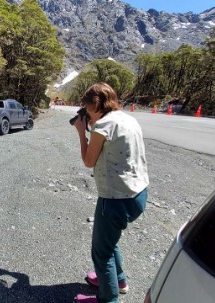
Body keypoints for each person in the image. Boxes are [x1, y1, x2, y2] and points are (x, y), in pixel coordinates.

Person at [72, 83, 149, 303]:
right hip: (139, 194)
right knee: (110, 241)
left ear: (95, 104)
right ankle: (119, 281)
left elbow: (88, 161)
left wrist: (81, 133)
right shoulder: (128, 119)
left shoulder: (103, 125)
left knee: (101, 252)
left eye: (87, 108)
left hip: (115, 199)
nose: (86, 113)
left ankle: (108, 298)